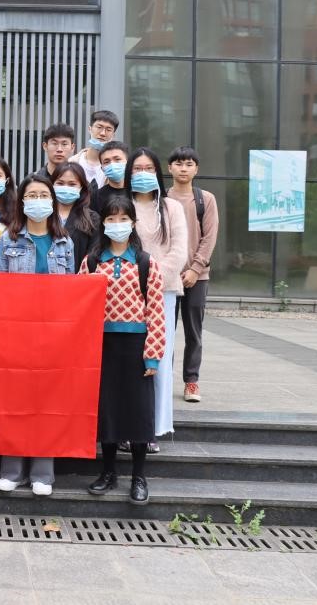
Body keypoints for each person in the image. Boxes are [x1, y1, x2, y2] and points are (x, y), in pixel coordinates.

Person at [0, 175, 74, 496]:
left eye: (43, 195)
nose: (38, 201)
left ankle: (42, 472)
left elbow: (72, 291)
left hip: (52, 335)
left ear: (52, 201)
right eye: (32, 195)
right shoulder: (7, 240)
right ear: (22, 202)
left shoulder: (64, 242)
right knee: (13, 399)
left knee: (47, 400)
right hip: (16, 331)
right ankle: (12, 471)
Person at [81, 194, 165, 506]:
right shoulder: (92, 262)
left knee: (138, 412)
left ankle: (139, 476)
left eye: (123, 219)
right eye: (111, 219)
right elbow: (80, 308)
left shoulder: (146, 263)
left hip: (136, 347)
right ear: (103, 223)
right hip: (102, 345)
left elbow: (156, 312)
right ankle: (108, 471)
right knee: (108, 411)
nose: (117, 224)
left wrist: (152, 355)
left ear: (133, 223)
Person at [128, 147, 188, 453]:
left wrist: (151, 280)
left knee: (159, 361)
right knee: (129, 362)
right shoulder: (121, 206)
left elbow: (179, 251)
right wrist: (132, 282)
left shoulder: (171, 207)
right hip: (124, 294)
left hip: (162, 292)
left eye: (148, 168)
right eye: (137, 169)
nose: (142, 174)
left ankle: (153, 427)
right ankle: (128, 427)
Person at [167, 147, 219, 404]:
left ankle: (191, 381)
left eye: (189, 164)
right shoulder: (162, 198)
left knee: (193, 332)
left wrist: (195, 269)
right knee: (165, 331)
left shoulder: (205, 199)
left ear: (196, 169)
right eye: (178, 164)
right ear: (169, 168)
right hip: (167, 277)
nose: (183, 168)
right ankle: (164, 380)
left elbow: (209, 237)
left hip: (197, 278)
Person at [51, 162, 100, 270]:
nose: (65, 187)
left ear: (81, 187)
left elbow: (93, 255)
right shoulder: (44, 215)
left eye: (72, 184)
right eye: (60, 183)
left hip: (77, 277)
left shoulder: (92, 219)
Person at [69, 109, 119, 188]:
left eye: (108, 130)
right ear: (90, 129)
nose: (103, 133)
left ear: (113, 135)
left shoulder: (116, 167)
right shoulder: (72, 162)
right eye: (99, 127)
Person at [90, 140, 130, 214]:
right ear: (102, 169)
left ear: (128, 163)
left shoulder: (138, 193)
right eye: (106, 162)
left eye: (117, 159)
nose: (112, 164)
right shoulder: (95, 197)